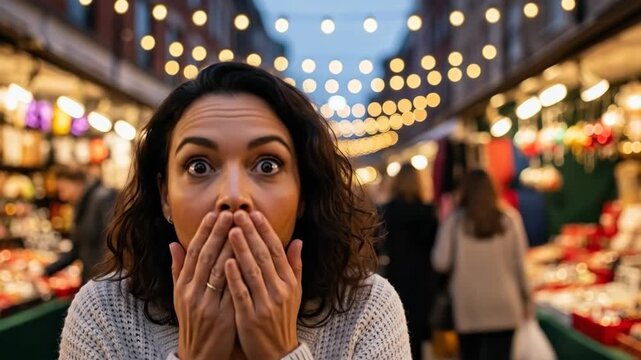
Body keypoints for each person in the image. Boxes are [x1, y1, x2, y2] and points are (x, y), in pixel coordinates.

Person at [58, 62, 411, 359]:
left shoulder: (366, 309)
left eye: (268, 165)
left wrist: (282, 352)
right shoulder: (104, 314)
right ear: (165, 195)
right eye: (199, 166)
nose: (233, 195)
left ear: (304, 193)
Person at [431, 168, 531, 360]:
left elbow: (440, 262)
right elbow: (521, 264)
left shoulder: (455, 222)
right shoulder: (510, 219)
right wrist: (527, 299)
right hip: (505, 304)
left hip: (468, 306)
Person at [380, 164, 438, 360]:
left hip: (396, 279)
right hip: (423, 281)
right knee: (419, 337)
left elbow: (380, 246)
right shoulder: (428, 213)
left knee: (398, 334)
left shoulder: (387, 213)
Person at [44, 164, 117, 283]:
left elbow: (112, 245)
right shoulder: (81, 205)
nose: (62, 197)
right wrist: (46, 271)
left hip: (103, 282)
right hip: (92, 280)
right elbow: (76, 249)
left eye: (63, 190)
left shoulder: (103, 198)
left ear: (77, 183)